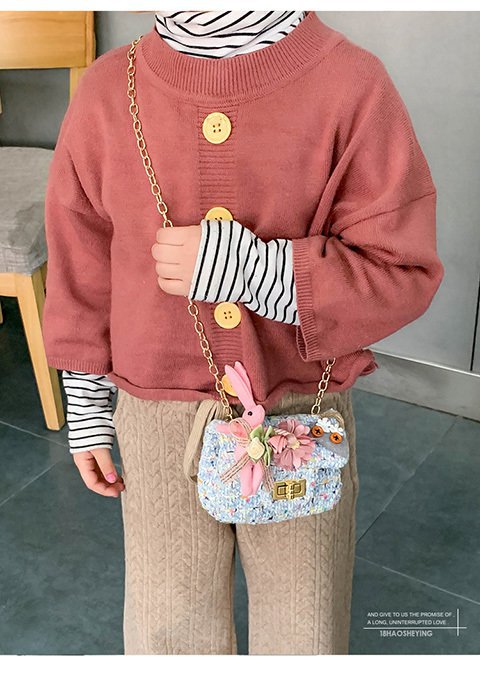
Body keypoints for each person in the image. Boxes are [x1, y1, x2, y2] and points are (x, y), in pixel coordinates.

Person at [42, 10, 444, 655]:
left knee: (304, 631)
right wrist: (87, 403)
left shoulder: (352, 85)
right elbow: (82, 261)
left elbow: (401, 270)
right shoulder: (107, 89)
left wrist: (253, 270)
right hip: (153, 412)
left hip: (301, 415)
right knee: (167, 631)